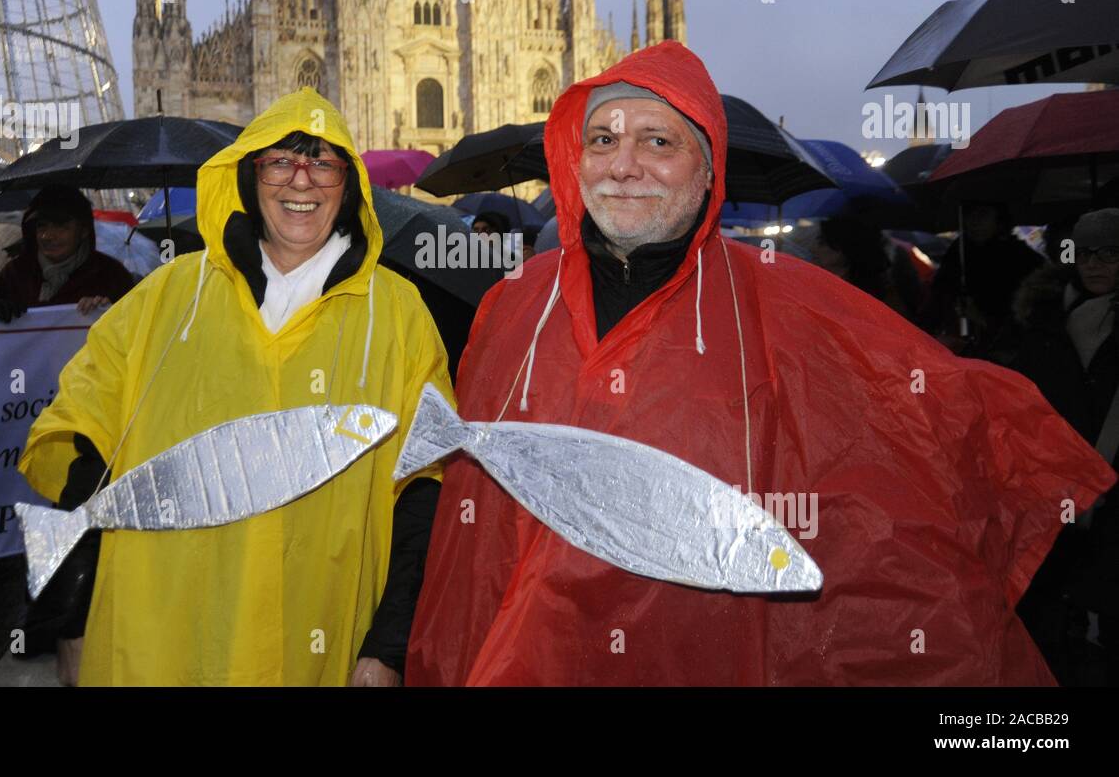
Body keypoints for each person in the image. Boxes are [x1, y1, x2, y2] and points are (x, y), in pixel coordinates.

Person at [404, 41, 1115, 686]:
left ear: (708, 166)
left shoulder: (780, 303)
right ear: (572, 157)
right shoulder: (515, 309)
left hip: (697, 656)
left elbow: (905, 421)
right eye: (602, 139)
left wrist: (1030, 468)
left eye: (659, 140)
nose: (624, 164)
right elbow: (471, 532)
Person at [17, 88, 454, 685]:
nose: (301, 182)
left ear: (348, 185)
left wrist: (388, 646)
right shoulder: (170, 295)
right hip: (164, 630)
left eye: (323, 163)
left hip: (321, 633)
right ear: (250, 177)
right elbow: (86, 442)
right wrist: (72, 613)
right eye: (280, 161)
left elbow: (427, 487)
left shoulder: (397, 314)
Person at [1008, 209, 1119, 684]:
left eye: (1110, 253)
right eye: (1086, 253)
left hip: (1113, 496)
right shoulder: (1045, 322)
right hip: (1053, 491)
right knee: (1051, 620)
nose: (1094, 264)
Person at [0, 185, 135, 320]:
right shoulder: (13, 275)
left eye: (61, 226)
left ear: (83, 230)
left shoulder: (112, 276)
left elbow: (136, 326)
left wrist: (110, 311)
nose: (47, 236)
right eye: (41, 226)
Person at [918, 200, 1042, 355]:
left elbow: (1024, 321)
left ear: (999, 220)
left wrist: (981, 319)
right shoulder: (959, 251)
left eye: (982, 214)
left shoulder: (1022, 259)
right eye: (969, 214)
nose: (974, 221)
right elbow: (938, 296)